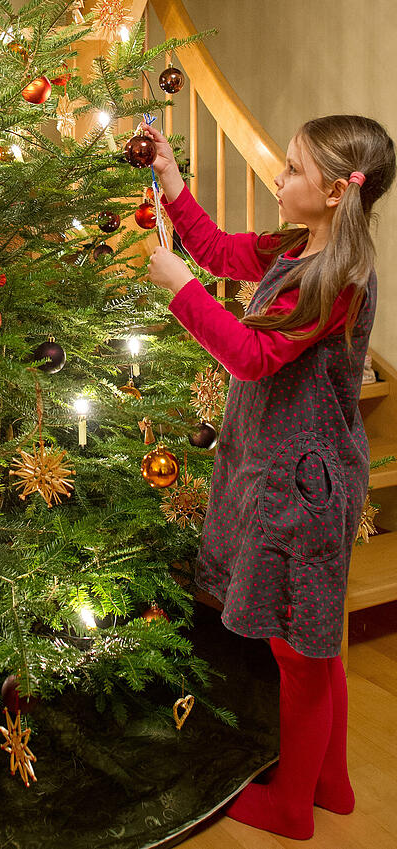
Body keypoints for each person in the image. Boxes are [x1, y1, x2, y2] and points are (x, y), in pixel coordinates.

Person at [144, 115, 395, 841]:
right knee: (312, 645)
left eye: (291, 170)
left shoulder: (335, 281)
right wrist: (173, 184)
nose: (277, 179)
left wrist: (183, 290)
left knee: (299, 652)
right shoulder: (297, 247)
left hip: (303, 489)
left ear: (332, 194)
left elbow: (251, 355)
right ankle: (333, 784)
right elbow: (223, 248)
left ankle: (293, 807)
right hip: (285, 472)